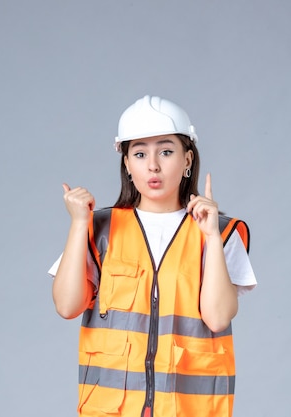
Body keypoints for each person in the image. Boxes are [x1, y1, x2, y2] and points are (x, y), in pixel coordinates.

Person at [48, 95, 257, 417]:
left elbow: (217, 318)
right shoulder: (99, 229)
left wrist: (212, 237)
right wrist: (79, 224)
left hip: (188, 408)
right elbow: (67, 306)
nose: (153, 165)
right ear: (127, 164)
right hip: (113, 408)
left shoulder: (223, 231)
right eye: (140, 153)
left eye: (167, 151)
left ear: (187, 159)